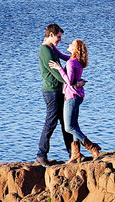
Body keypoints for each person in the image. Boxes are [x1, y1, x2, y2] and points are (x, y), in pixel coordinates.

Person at [36, 23, 84, 166]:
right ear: (51, 35)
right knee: (51, 123)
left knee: (66, 123)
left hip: (59, 90)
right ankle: (41, 155)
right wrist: (74, 84)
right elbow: (57, 75)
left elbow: (64, 58)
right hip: (51, 92)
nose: (60, 40)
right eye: (58, 37)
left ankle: (74, 154)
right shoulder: (45, 51)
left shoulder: (51, 48)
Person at [49, 39, 101, 163]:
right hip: (78, 96)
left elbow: (69, 81)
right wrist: (51, 46)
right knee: (74, 125)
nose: (69, 45)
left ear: (75, 49)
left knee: (69, 127)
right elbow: (61, 55)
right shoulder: (76, 61)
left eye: (71, 44)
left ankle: (92, 147)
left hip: (71, 96)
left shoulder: (72, 63)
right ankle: (75, 153)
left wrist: (58, 68)